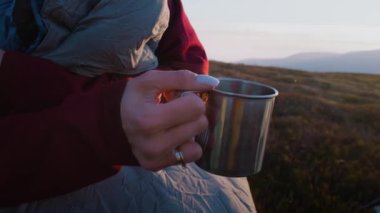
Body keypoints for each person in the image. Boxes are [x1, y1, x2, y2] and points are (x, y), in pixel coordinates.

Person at [0, 0, 257, 212]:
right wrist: (108, 119)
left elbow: (185, 54)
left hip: (168, 157)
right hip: (50, 172)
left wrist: (164, 97)